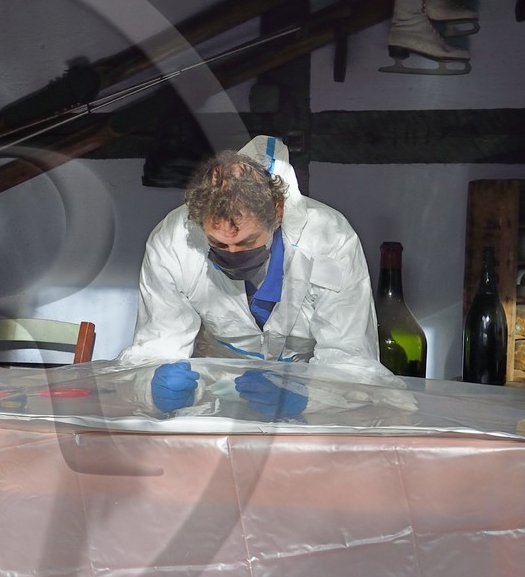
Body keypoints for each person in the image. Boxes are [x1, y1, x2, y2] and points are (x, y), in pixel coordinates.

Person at [117, 135, 389, 417]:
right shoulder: (174, 241)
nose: (233, 253)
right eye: (219, 244)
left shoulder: (329, 237)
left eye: (247, 242)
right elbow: (155, 348)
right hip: (212, 399)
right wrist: (153, 387)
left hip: (308, 400)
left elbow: (352, 362)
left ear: (278, 212)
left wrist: (307, 396)